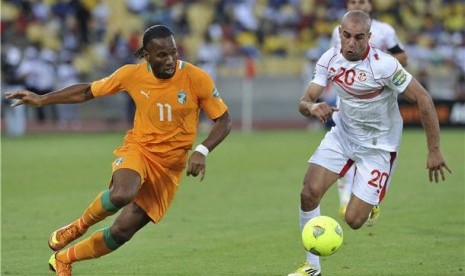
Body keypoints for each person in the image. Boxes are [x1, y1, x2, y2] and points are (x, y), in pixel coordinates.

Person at [5, 25, 232, 276]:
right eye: (162, 55)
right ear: (147, 55)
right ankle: (77, 227)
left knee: (122, 232)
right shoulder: (131, 75)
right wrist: (42, 99)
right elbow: (86, 91)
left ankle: (63, 259)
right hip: (140, 149)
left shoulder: (196, 78)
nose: (170, 60)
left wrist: (202, 150)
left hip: (170, 167)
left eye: (173, 53)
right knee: (123, 192)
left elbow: (224, 120)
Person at [288, 11, 450, 276]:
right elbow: (305, 99)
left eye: (359, 38)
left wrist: (434, 149)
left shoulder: (384, 66)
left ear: (369, 37)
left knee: (353, 221)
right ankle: (311, 267)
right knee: (309, 192)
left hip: (378, 146)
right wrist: (312, 106)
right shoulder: (329, 59)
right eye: (347, 36)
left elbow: (423, 99)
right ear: (340, 33)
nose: (352, 43)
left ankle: (374, 199)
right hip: (342, 135)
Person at [330, 0, 408, 217]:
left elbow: (403, 56)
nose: (358, 5)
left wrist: (378, 67)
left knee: (383, 151)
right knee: (346, 147)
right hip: (347, 99)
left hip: (378, 102)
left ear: (370, 6)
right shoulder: (337, 32)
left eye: (362, 1)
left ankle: (371, 196)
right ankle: (345, 200)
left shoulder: (385, 31)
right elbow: (332, 60)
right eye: (353, 1)